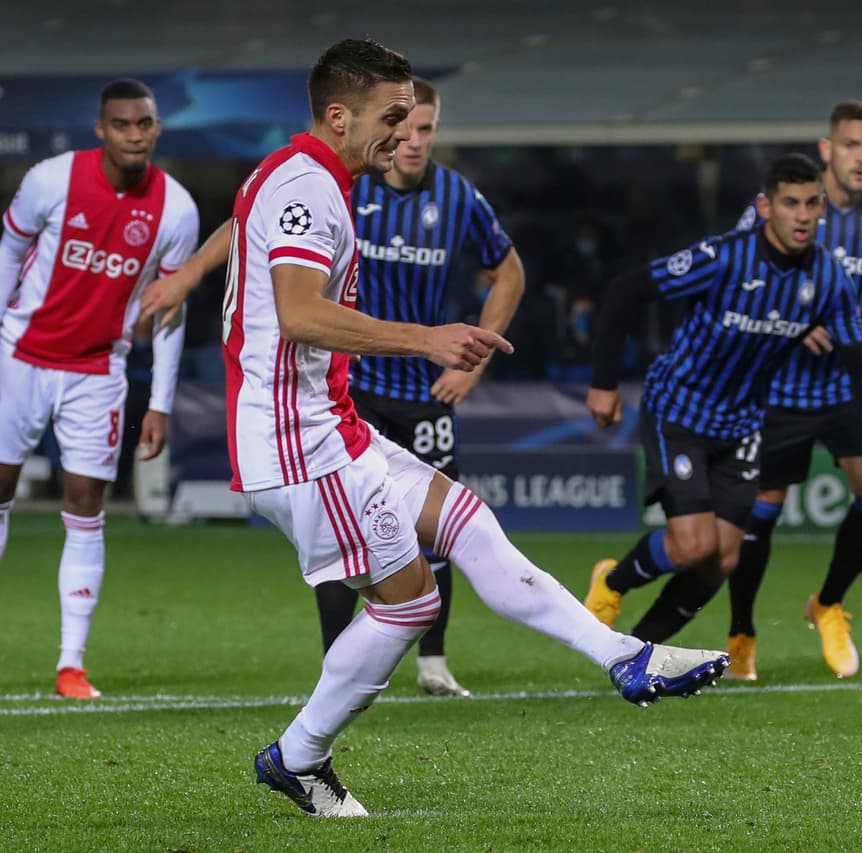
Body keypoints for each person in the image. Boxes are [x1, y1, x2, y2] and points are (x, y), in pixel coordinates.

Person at [174, 38, 726, 818]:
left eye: (412, 118)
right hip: (297, 441)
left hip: (331, 422)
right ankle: (299, 755)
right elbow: (297, 312)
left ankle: (625, 656)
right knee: (409, 603)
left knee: (467, 521)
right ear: (339, 116)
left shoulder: (309, 176)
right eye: (391, 117)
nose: (404, 133)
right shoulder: (307, 188)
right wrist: (425, 338)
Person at [142, 77, 527, 698]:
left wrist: (471, 363)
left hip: (424, 389)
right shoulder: (349, 182)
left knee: (439, 531)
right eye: (402, 124)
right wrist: (189, 275)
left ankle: (433, 663)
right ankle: (338, 664)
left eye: (425, 128)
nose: (411, 139)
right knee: (345, 538)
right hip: (352, 384)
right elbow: (250, 225)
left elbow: (509, 272)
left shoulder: (459, 198)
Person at [584, 153, 862, 649]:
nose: (801, 215)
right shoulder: (724, 258)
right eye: (790, 203)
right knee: (694, 546)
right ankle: (613, 582)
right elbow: (627, 290)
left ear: (822, 210)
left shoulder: (829, 277)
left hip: (743, 426)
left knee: (723, 559)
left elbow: (859, 357)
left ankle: (639, 653)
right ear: (765, 207)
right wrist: (604, 383)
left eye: (811, 203)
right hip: (680, 411)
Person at [726, 100, 862, 681]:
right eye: (851, 145)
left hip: (849, 386)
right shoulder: (781, 205)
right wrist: (793, 320)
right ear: (827, 149)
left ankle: (828, 603)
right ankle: (741, 633)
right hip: (777, 386)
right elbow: (736, 274)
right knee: (758, 515)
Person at [0, 79, 198, 699]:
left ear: (156, 129)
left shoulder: (177, 210)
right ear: (101, 130)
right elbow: (9, 251)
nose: (134, 135)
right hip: (21, 357)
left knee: (87, 503)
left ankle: (71, 665)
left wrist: (159, 402)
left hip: (98, 371)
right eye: (121, 125)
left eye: (144, 124)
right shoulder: (51, 179)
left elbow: (170, 312)